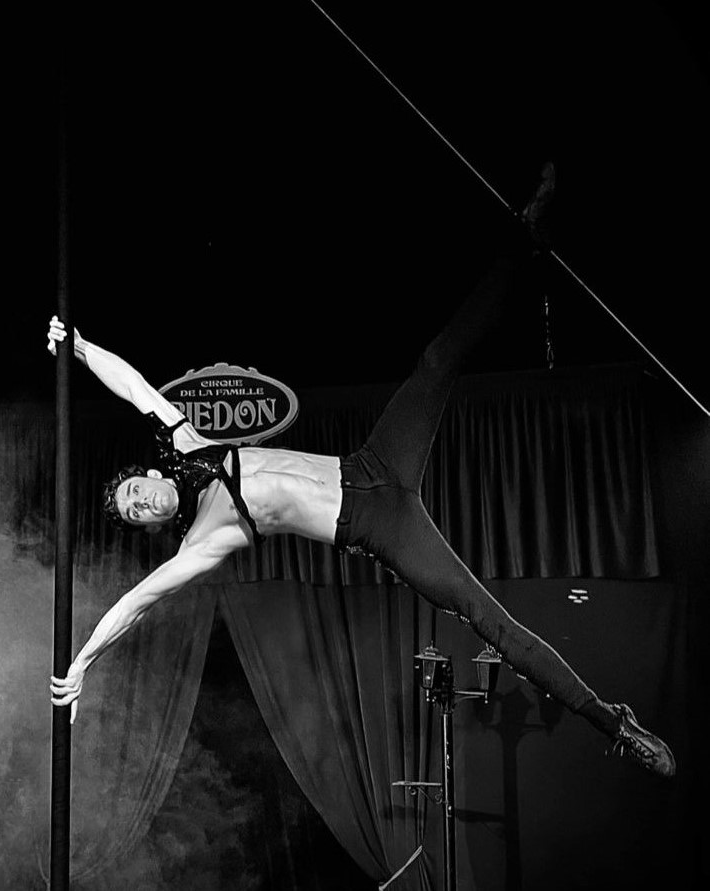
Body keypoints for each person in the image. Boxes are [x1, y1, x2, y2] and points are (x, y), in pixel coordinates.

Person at [46, 171, 675, 778]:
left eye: (134, 491)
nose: (142, 502)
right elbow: (135, 604)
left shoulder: (189, 443)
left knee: (435, 362)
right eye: (135, 512)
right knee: (490, 622)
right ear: (150, 526)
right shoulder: (201, 544)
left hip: (374, 464)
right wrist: (81, 664)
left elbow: (133, 385)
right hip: (379, 526)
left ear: (148, 473)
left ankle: (526, 238)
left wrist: (79, 347)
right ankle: (612, 723)